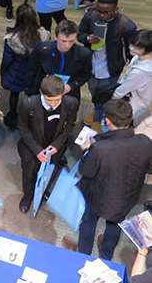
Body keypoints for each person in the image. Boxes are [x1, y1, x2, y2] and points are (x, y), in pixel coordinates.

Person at [76, 99, 152, 260]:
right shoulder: (145, 142)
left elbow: (86, 171)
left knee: (89, 222)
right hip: (128, 198)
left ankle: (83, 255)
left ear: (107, 121)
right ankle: (106, 256)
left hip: (98, 196)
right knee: (115, 226)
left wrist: (86, 151)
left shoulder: (100, 149)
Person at [16, 75, 78, 213]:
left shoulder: (71, 103)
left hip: (54, 146)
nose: (52, 104)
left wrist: (56, 145)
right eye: (49, 100)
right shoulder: (28, 103)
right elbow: (23, 128)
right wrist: (37, 150)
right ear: (40, 92)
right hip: (31, 146)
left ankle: (41, 191)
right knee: (29, 173)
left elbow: (70, 125)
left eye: (57, 100)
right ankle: (28, 195)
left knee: (48, 172)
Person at [78, 0, 137, 123]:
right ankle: (98, 113)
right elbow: (80, 34)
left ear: (115, 9)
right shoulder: (90, 17)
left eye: (106, 12)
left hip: (111, 70)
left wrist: (127, 67)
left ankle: (98, 120)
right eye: (99, 11)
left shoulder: (126, 26)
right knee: (95, 95)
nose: (102, 15)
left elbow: (131, 51)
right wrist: (87, 38)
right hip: (91, 67)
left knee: (105, 98)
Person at [0, 4, 50, 129]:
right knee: (32, 97)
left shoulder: (11, 39)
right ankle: (29, 119)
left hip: (17, 72)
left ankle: (12, 117)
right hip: (35, 73)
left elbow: (7, 60)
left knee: (14, 94)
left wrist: (4, 71)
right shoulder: (44, 35)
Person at [28, 20, 92, 101]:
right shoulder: (41, 49)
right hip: (43, 92)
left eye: (71, 41)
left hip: (69, 94)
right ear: (56, 38)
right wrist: (31, 93)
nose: (67, 45)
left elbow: (86, 75)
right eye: (63, 41)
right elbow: (32, 71)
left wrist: (71, 86)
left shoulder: (84, 54)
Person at [113, 30, 152, 123]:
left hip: (133, 104)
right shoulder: (137, 58)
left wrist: (112, 102)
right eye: (131, 44)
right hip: (135, 99)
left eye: (137, 47)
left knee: (118, 126)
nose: (131, 47)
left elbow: (122, 90)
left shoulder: (141, 72)